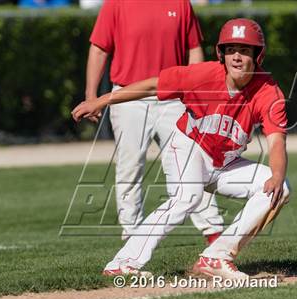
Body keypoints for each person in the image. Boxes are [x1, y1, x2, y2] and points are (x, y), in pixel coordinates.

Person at [72, 18, 290, 280]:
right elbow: (152, 85)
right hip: (189, 145)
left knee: (280, 188)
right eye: (231, 49)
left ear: (258, 56)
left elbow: (276, 141)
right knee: (188, 196)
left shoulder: (268, 91)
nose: (237, 57)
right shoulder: (203, 75)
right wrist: (101, 101)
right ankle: (122, 263)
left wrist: (276, 175)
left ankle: (217, 256)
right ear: (221, 53)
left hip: (225, 162)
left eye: (244, 50)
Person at [84, 0, 223, 242]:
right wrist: (91, 95)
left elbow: (193, 49)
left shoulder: (181, 3)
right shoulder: (116, 4)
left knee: (191, 164)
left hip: (174, 98)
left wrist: (198, 93)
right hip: (128, 98)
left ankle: (214, 236)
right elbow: (99, 48)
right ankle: (132, 236)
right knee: (129, 168)